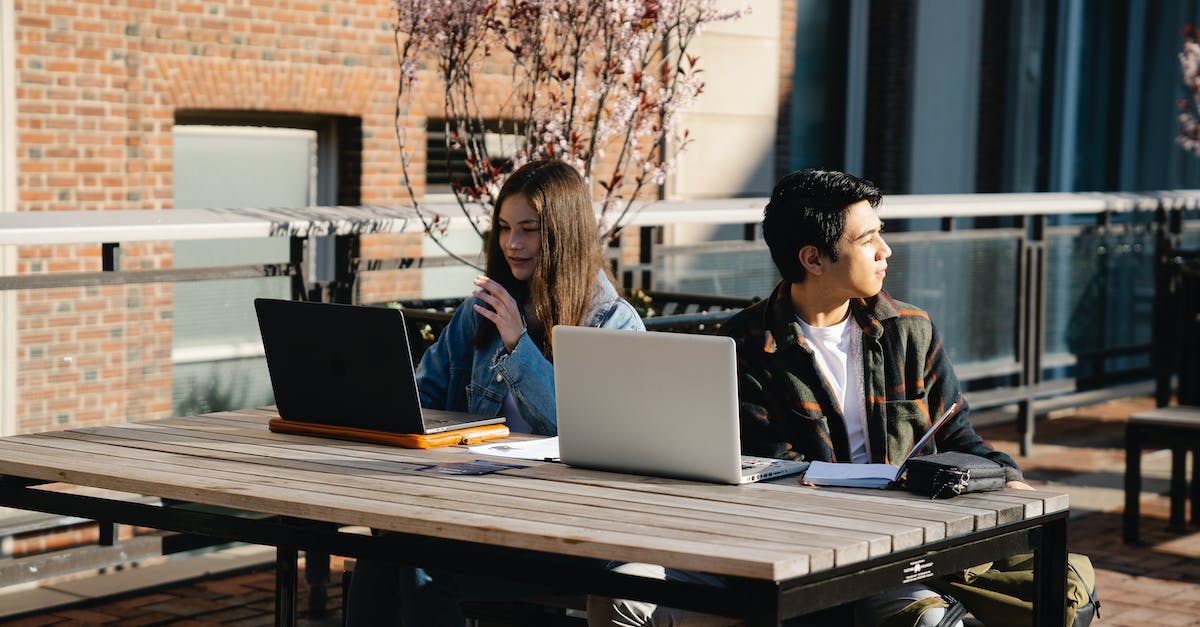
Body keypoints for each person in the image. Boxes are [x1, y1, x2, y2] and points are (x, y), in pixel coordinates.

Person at [587, 169, 1033, 627]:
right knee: (621, 595)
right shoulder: (745, 346)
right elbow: (770, 471)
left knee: (936, 621)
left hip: (893, 554)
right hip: (785, 553)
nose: (886, 251)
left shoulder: (910, 330)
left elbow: (956, 432)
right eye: (868, 240)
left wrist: (1006, 475)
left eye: (880, 234)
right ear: (814, 259)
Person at [347, 158, 645, 626]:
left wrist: (517, 345)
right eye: (505, 228)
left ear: (563, 235)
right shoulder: (482, 310)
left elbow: (593, 437)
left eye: (529, 229)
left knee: (419, 566)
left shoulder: (613, 324)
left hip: (567, 530)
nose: (512, 244)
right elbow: (425, 399)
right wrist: (373, 396)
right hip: (478, 512)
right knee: (382, 553)